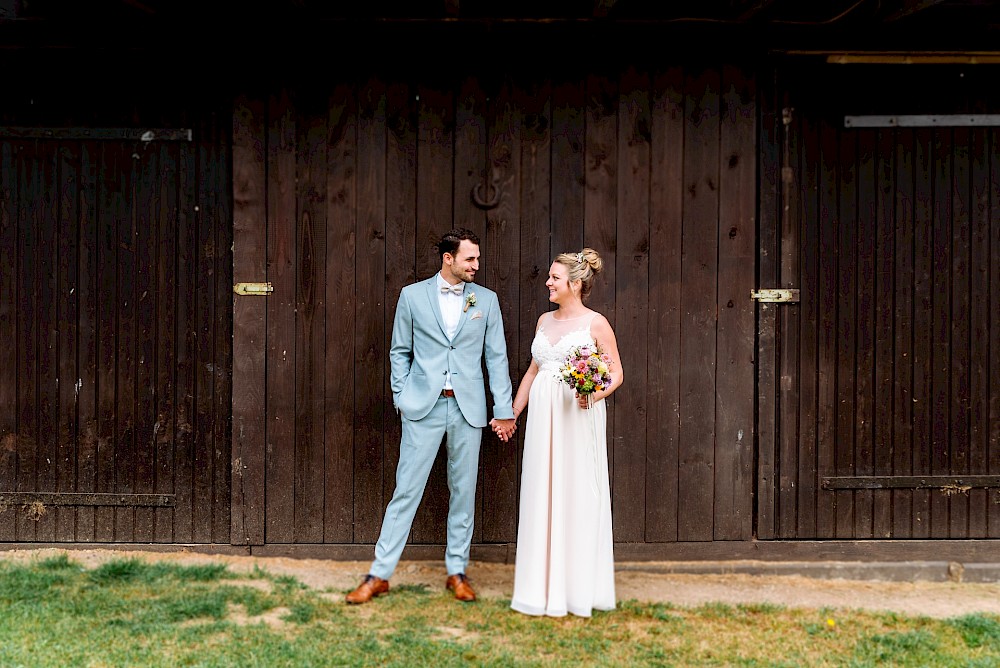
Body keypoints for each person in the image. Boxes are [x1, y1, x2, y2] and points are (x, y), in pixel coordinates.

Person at [346, 229, 517, 605]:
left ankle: (457, 571)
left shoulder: (486, 300)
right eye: (469, 258)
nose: (476, 265)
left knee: (463, 493)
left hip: (468, 409)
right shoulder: (412, 296)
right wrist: (402, 397)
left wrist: (503, 409)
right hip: (422, 407)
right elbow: (399, 351)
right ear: (448, 258)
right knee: (406, 489)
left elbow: (497, 358)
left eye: (477, 258)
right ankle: (379, 573)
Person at [505, 248, 623, 617]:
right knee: (543, 490)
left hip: (577, 417)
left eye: (554, 278)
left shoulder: (596, 323)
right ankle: (539, 586)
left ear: (574, 284)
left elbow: (616, 372)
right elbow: (532, 372)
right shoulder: (543, 320)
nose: (548, 283)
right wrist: (511, 414)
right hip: (544, 420)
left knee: (576, 491)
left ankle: (576, 587)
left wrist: (594, 393)